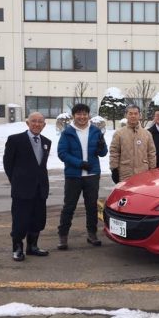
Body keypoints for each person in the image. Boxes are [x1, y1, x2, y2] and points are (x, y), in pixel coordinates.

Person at [56, 103, 108, 250]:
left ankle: (92, 234)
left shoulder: (95, 131)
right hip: (74, 176)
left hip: (92, 175)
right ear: (74, 116)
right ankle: (63, 236)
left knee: (92, 207)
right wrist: (80, 164)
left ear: (88, 115)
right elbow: (62, 153)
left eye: (85, 114)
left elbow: (103, 153)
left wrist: (102, 146)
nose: (82, 117)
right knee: (69, 206)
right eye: (79, 114)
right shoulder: (68, 132)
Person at [3, 112, 51, 262]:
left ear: (44, 125)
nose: (37, 124)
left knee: (38, 219)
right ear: (27, 123)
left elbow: (41, 166)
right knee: (20, 220)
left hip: (40, 188)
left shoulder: (46, 142)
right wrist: (16, 180)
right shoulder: (15, 140)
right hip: (22, 189)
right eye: (34, 121)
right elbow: (8, 163)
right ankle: (17, 248)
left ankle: (32, 247)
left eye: (40, 122)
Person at [110, 105, 157, 183]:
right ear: (126, 115)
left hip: (143, 173)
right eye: (130, 113)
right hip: (125, 173)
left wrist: (152, 169)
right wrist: (114, 169)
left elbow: (151, 153)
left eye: (135, 113)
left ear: (140, 115)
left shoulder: (147, 134)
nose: (133, 116)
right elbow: (114, 152)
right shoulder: (119, 133)